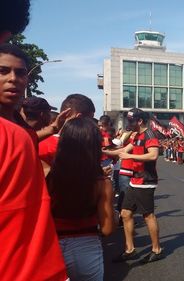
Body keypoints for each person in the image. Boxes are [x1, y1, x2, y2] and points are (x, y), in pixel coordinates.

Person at [0, 1, 67, 279]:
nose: (13, 79)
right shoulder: (13, 134)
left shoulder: (18, 132)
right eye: (3, 71)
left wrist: (51, 130)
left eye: (20, 73)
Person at [47, 117, 116, 280]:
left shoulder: (45, 174)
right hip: (85, 245)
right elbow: (107, 229)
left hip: (50, 244)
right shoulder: (102, 184)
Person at [109, 108, 164, 263]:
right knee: (125, 213)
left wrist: (130, 156)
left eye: (132, 121)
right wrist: (99, 150)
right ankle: (130, 249)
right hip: (135, 180)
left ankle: (156, 249)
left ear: (140, 121)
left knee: (148, 215)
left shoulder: (149, 135)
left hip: (146, 181)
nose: (129, 123)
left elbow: (153, 155)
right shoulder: (137, 136)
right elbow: (122, 151)